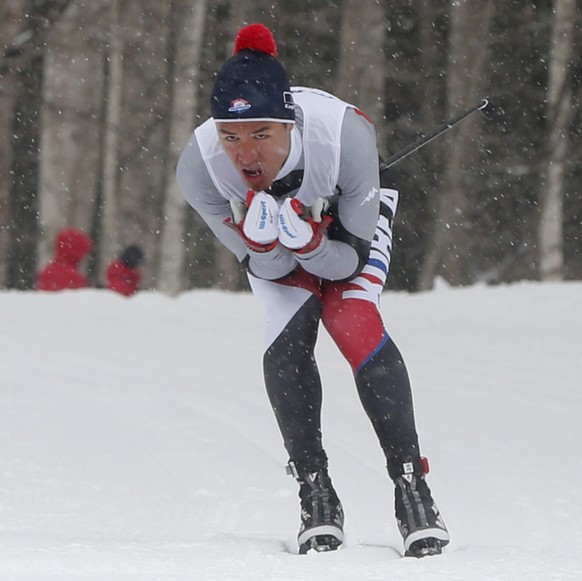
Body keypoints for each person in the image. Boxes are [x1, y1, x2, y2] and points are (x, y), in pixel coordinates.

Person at [177, 23, 450, 557]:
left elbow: (348, 262)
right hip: (281, 248)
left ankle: (412, 489)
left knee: (350, 318)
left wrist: (306, 241)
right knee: (288, 337)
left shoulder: (344, 138)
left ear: (290, 124)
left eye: (261, 134)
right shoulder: (201, 169)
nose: (244, 153)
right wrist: (264, 244)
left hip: (346, 228)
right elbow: (272, 274)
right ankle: (315, 490)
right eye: (230, 136)